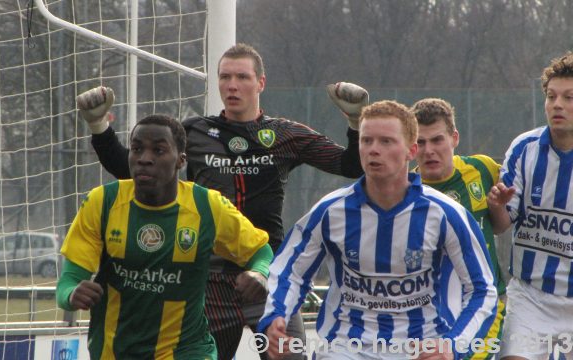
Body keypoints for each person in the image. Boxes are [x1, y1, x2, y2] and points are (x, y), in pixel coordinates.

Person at [75, 43, 368, 359]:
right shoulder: (193, 132)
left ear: (261, 83)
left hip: (268, 278)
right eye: (225, 76)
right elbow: (129, 168)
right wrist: (99, 127)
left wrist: (356, 121)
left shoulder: (286, 135)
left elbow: (350, 165)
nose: (232, 85)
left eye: (242, 77)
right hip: (208, 282)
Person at [259, 100, 498, 360]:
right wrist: (276, 315)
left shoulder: (446, 214)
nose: (373, 150)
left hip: (421, 350)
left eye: (386, 142)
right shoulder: (330, 211)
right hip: (346, 349)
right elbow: (290, 271)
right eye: (366, 140)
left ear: (411, 150)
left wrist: (452, 345)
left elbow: (482, 289)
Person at [56, 114, 274, 359]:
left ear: (181, 160)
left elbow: (260, 251)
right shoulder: (102, 202)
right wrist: (72, 294)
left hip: (188, 350)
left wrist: (260, 272)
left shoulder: (207, 206)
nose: (144, 159)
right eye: (137, 149)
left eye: (158, 150)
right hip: (114, 351)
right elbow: (67, 283)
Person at [487, 52, 573, 360]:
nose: (557, 104)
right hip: (530, 296)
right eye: (551, 96)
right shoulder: (524, 148)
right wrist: (497, 205)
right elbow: (501, 225)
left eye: (568, 97)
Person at [412, 98, 506, 360]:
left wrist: (498, 207)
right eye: (420, 142)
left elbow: (499, 227)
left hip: (484, 303)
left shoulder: (483, 169)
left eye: (437, 140)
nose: (429, 150)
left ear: (454, 138)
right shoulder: (404, 192)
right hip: (428, 310)